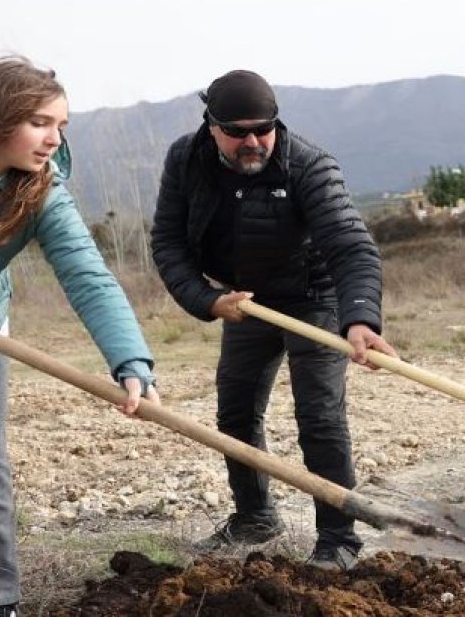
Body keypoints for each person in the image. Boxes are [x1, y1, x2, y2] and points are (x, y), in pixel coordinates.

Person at [151, 69, 396, 571]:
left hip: (314, 296)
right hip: (245, 301)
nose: (252, 141)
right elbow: (168, 242)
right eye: (237, 131)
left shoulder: (308, 164)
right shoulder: (185, 159)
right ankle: (255, 516)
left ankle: (338, 540)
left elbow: (352, 247)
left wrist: (359, 318)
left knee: (320, 418)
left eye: (263, 128)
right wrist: (206, 299)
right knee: (235, 413)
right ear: (211, 127)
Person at [0, 57, 159, 617]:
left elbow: (88, 275)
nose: (54, 139)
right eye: (40, 122)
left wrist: (130, 360)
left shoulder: (42, 194)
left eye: (62, 126)